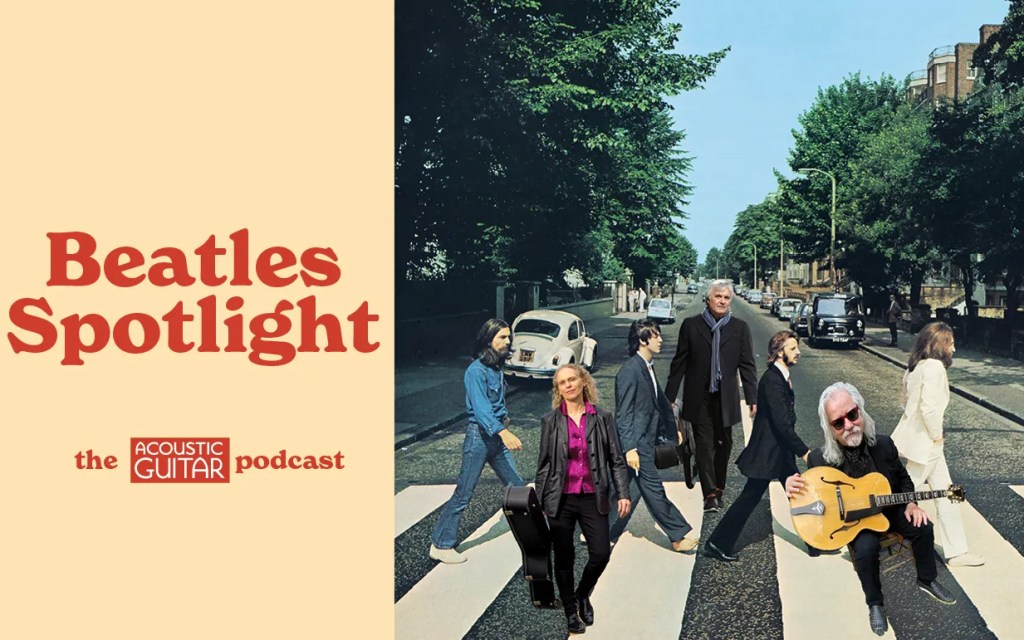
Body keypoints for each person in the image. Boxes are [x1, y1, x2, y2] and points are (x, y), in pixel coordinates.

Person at [785, 382, 956, 637]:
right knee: (865, 549)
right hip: (856, 523)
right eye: (838, 423)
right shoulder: (821, 459)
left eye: (852, 415)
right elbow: (810, 495)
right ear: (829, 429)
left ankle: (926, 579)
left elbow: (903, 479)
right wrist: (791, 484)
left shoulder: (884, 445)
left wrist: (911, 503)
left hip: (889, 510)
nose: (848, 426)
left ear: (861, 411)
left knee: (923, 527)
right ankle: (875, 603)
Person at [535, 364, 631, 634]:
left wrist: (623, 493)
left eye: (572, 379)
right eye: (562, 382)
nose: (568, 385)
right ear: (558, 390)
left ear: (583, 381)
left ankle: (582, 593)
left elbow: (616, 459)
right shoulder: (551, 421)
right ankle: (570, 611)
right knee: (564, 557)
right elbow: (543, 465)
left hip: (593, 495)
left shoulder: (602, 418)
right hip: (560, 499)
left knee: (601, 553)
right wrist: (541, 503)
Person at [703, 330, 809, 562]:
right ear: (780, 352)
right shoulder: (772, 380)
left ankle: (814, 538)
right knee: (750, 497)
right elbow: (782, 424)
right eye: (792, 348)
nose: (798, 352)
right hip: (768, 454)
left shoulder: (781, 376)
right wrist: (805, 451)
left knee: (801, 493)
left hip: (780, 453)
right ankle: (716, 543)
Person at [429, 319, 526, 564]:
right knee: (464, 493)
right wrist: (502, 432)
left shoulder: (495, 368)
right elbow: (482, 410)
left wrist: (505, 419)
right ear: (488, 339)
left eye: (508, 337)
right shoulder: (476, 371)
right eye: (502, 337)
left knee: (517, 486)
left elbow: (495, 403)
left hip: (495, 437)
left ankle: (532, 534)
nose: (508, 342)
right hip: (480, 438)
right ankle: (441, 544)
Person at [891, 322, 983, 567]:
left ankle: (958, 552)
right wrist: (937, 435)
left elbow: (906, 402)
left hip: (923, 443)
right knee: (899, 493)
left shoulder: (915, 367)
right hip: (927, 444)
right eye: (950, 343)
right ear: (939, 345)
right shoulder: (934, 367)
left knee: (949, 495)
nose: (954, 348)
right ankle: (865, 531)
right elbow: (929, 408)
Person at [665, 279, 757, 513]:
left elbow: (747, 365)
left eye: (726, 297)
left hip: (726, 396)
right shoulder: (691, 325)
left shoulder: (739, 328)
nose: (722, 301)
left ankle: (720, 486)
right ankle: (710, 494)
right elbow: (679, 363)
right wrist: (669, 396)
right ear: (708, 299)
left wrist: (752, 398)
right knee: (704, 445)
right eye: (718, 296)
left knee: (724, 444)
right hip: (699, 396)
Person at [610, 319, 699, 553]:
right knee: (653, 489)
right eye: (656, 335)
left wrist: (674, 431)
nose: (661, 339)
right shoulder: (630, 371)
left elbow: (659, 405)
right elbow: (624, 413)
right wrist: (629, 449)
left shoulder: (647, 366)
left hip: (644, 438)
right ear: (642, 340)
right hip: (637, 443)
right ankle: (678, 536)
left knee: (615, 489)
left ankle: (595, 530)